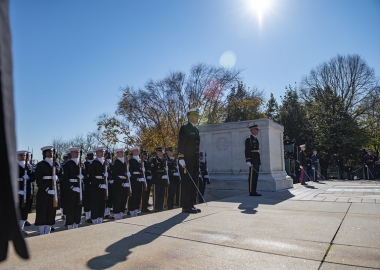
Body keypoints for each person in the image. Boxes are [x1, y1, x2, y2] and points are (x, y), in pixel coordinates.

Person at [178, 108, 202, 213]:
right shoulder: (184, 128)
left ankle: (192, 204)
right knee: (187, 183)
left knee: (194, 183)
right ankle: (186, 206)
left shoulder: (196, 130)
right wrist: (181, 157)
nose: (197, 118)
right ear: (190, 117)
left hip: (195, 160)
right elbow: (181, 144)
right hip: (187, 160)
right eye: (195, 116)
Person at [34, 146, 58, 235]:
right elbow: (38, 179)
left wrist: (57, 177)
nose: (51, 153)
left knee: (52, 210)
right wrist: (47, 189)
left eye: (52, 151)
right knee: (42, 210)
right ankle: (41, 231)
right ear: (44, 153)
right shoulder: (40, 164)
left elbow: (61, 175)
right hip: (44, 190)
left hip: (53, 189)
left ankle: (48, 230)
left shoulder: (55, 164)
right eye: (49, 152)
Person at [62, 147, 83, 229]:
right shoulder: (67, 164)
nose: (77, 154)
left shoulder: (81, 163)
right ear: (71, 153)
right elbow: (65, 178)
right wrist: (72, 187)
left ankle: (76, 223)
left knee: (78, 207)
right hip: (70, 188)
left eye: (78, 152)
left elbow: (86, 175)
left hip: (79, 186)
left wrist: (83, 176)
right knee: (70, 207)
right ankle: (70, 225)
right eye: (75, 152)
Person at [16, 150, 35, 235]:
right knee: (17, 209)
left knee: (25, 209)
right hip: (17, 189)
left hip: (26, 189)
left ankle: (21, 228)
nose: (23, 157)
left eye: (24, 155)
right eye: (21, 155)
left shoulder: (28, 166)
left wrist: (29, 177)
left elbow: (33, 176)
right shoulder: (13, 165)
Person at [90, 146, 108, 225]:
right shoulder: (93, 163)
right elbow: (91, 176)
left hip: (104, 185)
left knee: (102, 203)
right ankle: (94, 219)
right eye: (101, 151)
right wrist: (99, 184)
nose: (102, 153)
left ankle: (101, 218)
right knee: (95, 203)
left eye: (103, 151)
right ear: (97, 153)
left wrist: (108, 174)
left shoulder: (105, 162)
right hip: (96, 186)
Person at [111, 148, 130, 220]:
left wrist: (128, 175)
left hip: (125, 183)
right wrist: (122, 183)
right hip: (118, 185)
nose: (122, 154)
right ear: (117, 154)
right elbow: (115, 176)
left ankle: (121, 214)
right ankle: (116, 216)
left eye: (123, 152)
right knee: (117, 201)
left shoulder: (125, 163)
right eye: (121, 152)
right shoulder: (116, 164)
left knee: (123, 200)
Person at [245, 124, 262, 196]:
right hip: (252, 160)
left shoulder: (255, 139)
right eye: (256, 130)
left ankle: (254, 190)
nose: (257, 131)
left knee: (256, 176)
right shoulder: (249, 139)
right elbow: (247, 150)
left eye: (257, 130)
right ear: (252, 130)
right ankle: (251, 191)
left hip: (256, 159)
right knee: (252, 176)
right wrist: (248, 160)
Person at [128, 146, 145, 217]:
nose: (138, 152)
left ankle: (136, 209)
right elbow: (130, 172)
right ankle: (132, 211)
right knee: (133, 196)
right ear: (133, 152)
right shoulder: (131, 161)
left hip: (140, 180)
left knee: (138, 195)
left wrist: (142, 175)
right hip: (134, 181)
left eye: (138, 151)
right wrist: (136, 178)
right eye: (136, 151)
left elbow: (140, 171)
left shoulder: (140, 160)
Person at [151, 147, 169, 212]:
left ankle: (160, 208)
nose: (161, 153)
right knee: (157, 195)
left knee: (162, 195)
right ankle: (156, 208)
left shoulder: (164, 160)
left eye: (162, 151)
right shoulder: (154, 160)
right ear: (157, 152)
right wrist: (160, 176)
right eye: (160, 151)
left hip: (163, 181)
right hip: (157, 180)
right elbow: (153, 171)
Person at [83, 150, 94, 223]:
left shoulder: (93, 163)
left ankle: (91, 216)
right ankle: (87, 217)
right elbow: (85, 174)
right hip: (87, 184)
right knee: (87, 201)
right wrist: (87, 179)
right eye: (90, 155)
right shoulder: (85, 164)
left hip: (92, 184)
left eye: (92, 155)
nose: (91, 156)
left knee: (91, 201)